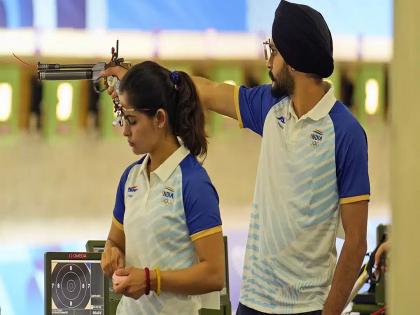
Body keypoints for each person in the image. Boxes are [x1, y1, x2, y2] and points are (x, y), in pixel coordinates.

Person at [102, 1, 370, 314]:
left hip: (308, 306)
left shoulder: (346, 133)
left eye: (273, 50)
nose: (268, 61)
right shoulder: (271, 107)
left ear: (294, 61)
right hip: (253, 301)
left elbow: (356, 242)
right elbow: (206, 90)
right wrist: (138, 79)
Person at [100, 61, 225, 315]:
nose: (125, 131)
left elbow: (214, 274)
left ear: (159, 118)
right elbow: (115, 240)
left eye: (132, 120)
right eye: (122, 119)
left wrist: (150, 280)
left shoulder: (194, 183)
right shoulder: (130, 177)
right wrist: (111, 252)